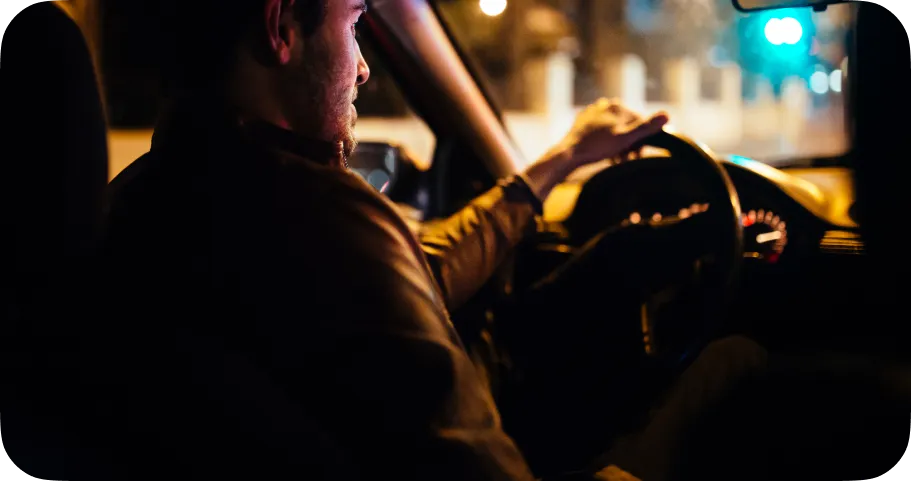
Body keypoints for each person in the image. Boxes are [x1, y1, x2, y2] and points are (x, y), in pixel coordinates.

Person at [97, 1, 911, 481]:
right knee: (737, 372)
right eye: (353, 24)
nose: (366, 68)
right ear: (281, 28)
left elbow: (420, 273)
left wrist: (555, 164)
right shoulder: (316, 212)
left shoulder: (144, 200)